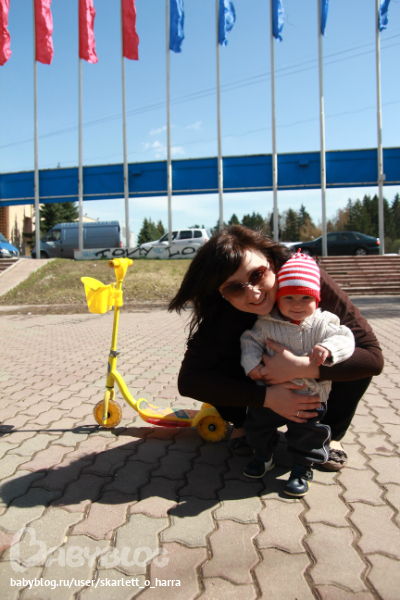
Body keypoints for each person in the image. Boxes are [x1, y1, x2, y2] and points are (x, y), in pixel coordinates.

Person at [168, 226, 384, 472]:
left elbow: (372, 358)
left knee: (351, 357)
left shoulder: (306, 279)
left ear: (270, 261)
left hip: (314, 383)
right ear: (221, 293)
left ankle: (332, 434)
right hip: (259, 384)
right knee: (220, 364)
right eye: (234, 288)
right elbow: (190, 380)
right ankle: (242, 423)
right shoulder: (222, 313)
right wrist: (267, 398)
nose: (254, 294)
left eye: (257, 274)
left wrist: (302, 367)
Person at [240, 250, 355, 495]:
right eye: (289, 297)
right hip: (271, 392)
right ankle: (263, 455)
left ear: (317, 299)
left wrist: (329, 348)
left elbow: (346, 338)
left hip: (309, 397)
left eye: (305, 297)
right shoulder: (266, 322)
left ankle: (302, 467)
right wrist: (252, 365)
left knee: (307, 434)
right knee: (257, 425)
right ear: (278, 297)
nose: (297, 304)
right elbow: (249, 341)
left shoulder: (324, 323)